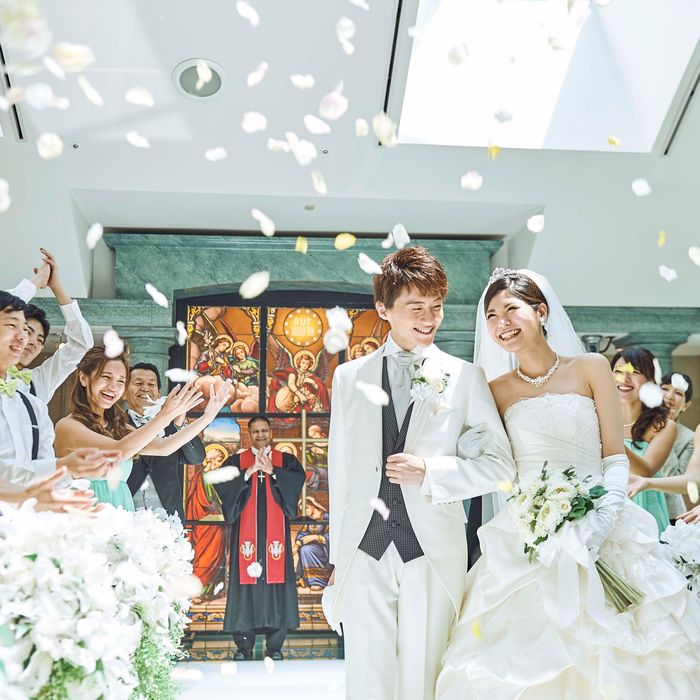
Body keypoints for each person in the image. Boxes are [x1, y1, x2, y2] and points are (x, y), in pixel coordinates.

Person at [436, 269, 700, 700]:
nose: (501, 323)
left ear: (541, 312)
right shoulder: (493, 390)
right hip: (529, 531)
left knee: (628, 644)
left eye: (511, 309)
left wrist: (603, 517)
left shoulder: (591, 368)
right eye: (492, 316)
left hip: (604, 518)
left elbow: (614, 456)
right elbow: (495, 465)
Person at [324, 247, 516, 700]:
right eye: (416, 308)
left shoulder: (465, 377)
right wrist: (337, 560)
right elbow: (340, 473)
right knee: (366, 678)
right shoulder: (348, 378)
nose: (430, 319)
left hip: (431, 547)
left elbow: (500, 467)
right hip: (363, 549)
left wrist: (430, 471)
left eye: (437, 306)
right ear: (383, 309)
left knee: (423, 675)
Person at [54, 346, 229, 509]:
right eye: (106, 377)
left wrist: (208, 416)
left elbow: (163, 447)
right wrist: (165, 415)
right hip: (86, 516)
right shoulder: (68, 426)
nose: (113, 387)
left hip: (121, 514)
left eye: (120, 381)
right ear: (83, 378)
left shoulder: (119, 428)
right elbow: (119, 451)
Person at [214, 415, 305, 661]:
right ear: (249, 435)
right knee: (245, 584)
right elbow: (221, 482)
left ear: (271, 432)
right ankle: (243, 645)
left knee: (277, 583)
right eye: (255, 431)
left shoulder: (285, 461)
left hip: (276, 538)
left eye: (264, 430)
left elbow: (298, 480)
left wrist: (273, 472)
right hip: (246, 536)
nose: (260, 435)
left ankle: (274, 646)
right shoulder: (237, 461)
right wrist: (248, 472)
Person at [0, 291, 113, 488]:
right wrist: (35, 284)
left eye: (39, 339)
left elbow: (35, 465)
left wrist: (68, 475)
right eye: (14, 326)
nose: (26, 339)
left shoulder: (34, 399)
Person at [8, 248, 93, 403]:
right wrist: (38, 280)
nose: (33, 342)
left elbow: (82, 344)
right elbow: (4, 309)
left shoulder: (38, 382)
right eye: (27, 331)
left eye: (40, 340)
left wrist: (56, 286)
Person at [124, 362, 206, 520]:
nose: (145, 388)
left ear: (158, 393)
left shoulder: (171, 425)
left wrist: (180, 425)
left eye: (151, 384)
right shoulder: (115, 425)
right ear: (124, 393)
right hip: (126, 514)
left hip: (168, 516)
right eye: (138, 383)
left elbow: (197, 458)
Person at [610, 347, 676, 533]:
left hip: (644, 505)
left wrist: (609, 437)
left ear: (650, 380)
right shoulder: (598, 416)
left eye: (635, 372)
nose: (625, 378)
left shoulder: (664, 426)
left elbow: (646, 471)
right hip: (606, 501)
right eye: (618, 371)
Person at [628, 372, 699, 518]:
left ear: (686, 405)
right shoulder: (638, 426)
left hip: (668, 510)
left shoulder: (690, 438)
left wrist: (665, 435)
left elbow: (679, 479)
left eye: (678, 393)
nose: (670, 396)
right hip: (632, 500)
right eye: (665, 389)